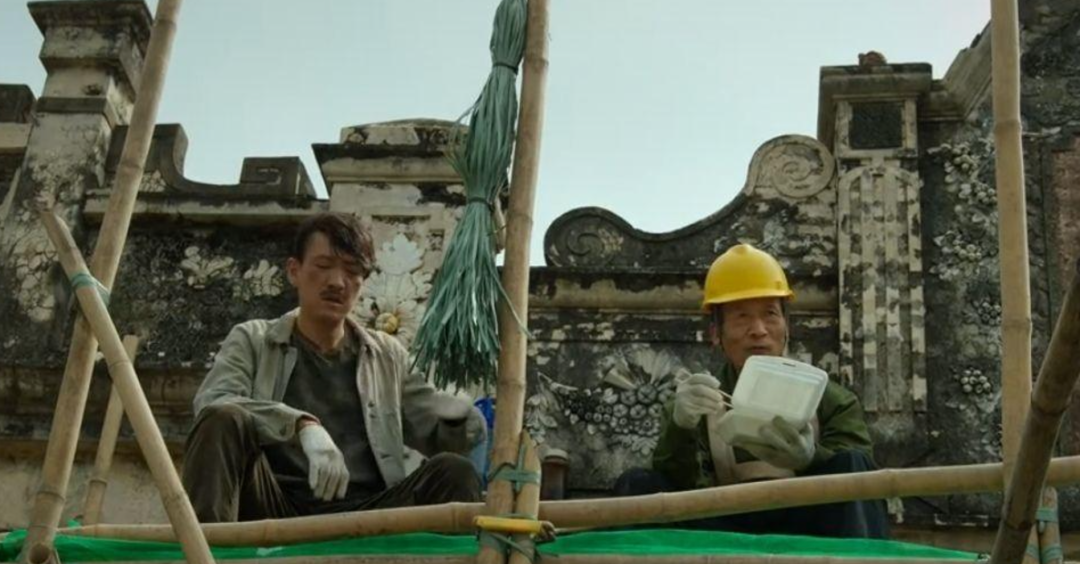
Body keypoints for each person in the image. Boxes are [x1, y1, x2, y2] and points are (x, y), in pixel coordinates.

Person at [182, 212, 486, 522]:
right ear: (294, 271)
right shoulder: (254, 339)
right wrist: (301, 426)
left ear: (363, 282)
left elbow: (445, 438)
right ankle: (205, 545)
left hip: (370, 514)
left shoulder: (388, 356)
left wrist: (458, 418)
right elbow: (212, 402)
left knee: (454, 471)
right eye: (323, 266)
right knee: (223, 417)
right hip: (271, 506)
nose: (337, 282)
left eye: (352, 271)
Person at [614, 243, 889, 538]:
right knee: (638, 485)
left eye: (770, 314)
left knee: (855, 465)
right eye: (741, 317)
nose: (759, 330)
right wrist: (680, 428)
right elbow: (681, 486)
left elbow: (859, 485)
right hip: (723, 531)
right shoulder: (697, 401)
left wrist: (810, 459)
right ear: (715, 333)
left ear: (787, 326)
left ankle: (857, 559)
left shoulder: (833, 401)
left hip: (808, 528)